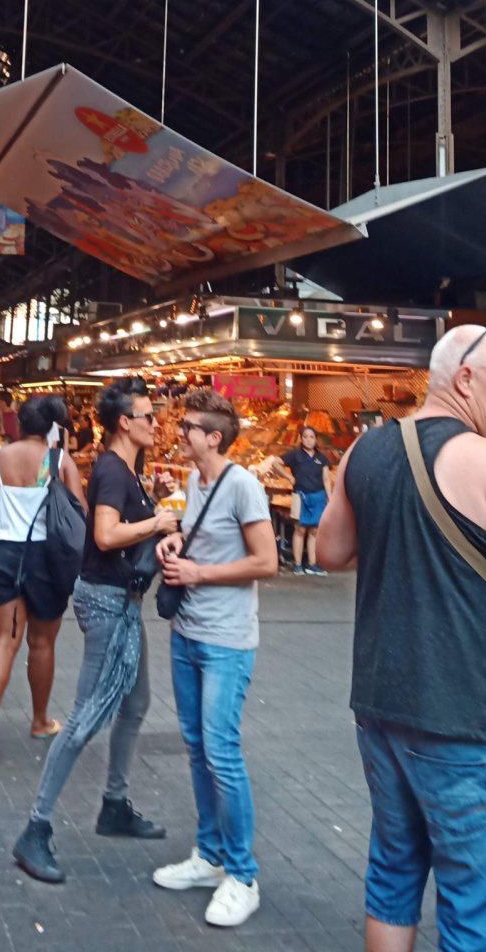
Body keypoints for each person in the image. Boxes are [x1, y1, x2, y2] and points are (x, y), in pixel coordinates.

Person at [317, 323, 486, 952]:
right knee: (474, 907)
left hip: (379, 705)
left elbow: (330, 551)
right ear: (465, 378)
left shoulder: (366, 450)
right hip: (459, 717)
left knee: (393, 875)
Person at [14, 377, 178, 884]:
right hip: (108, 604)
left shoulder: (128, 468)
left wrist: (154, 504)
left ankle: (114, 804)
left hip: (122, 602)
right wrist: (158, 524)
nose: (158, 423)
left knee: (135, 703)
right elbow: (105, 535)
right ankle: (34, 830)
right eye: (150, 416)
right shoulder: (110, 469)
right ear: (126, 422)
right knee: (86, 719)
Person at [151, 388, 278, 929]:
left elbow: (266, 561)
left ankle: (243, 876)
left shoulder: (243, 486)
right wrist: (176, 545)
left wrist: (199, 574)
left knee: (222, 752)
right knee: (198, 747)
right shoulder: (195, 482)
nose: (179, 434)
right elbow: (204, 541)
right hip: (187, 633)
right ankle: (209, 856)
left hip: (227, 639)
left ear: (214, 437)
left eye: (187, 428)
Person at [0, 394, 87, 767]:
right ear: (51, 426)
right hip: (46, 559)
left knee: (2, 643)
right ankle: (39, 721)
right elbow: (79, 511)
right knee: (41, 643)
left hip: (4, 555)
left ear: (18, 423)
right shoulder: (57, 461)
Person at [282, 424, 333, 576]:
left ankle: (312, 563)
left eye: (312, 437)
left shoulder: (321, 458)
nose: (309, 440)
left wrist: (329, 497)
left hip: (318, 496)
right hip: (300, 495)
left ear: (316, 439)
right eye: (305, 437)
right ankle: (297, 565)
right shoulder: (294, 455)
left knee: (314, 531)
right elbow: (275, 463)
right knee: (300, 529)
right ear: (301, 439)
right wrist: (288, 477)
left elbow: (326, 479)